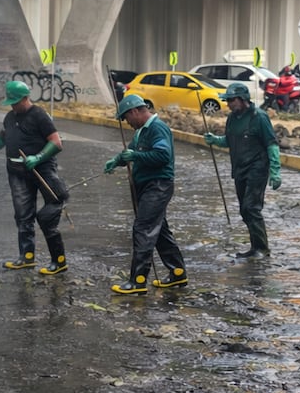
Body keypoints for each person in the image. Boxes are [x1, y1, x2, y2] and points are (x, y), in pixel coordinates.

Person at [0, 80, 69, 275]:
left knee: (48, 214)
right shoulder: (10, 117)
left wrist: (38, 157)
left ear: (25, 98)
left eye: (15, 102)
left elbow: (56, 142)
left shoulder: (39, 115)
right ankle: (27, 257)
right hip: (16, 171)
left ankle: (59, 260)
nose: (13, 105)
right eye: (10, 102)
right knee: (22, 214)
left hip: (41, 169)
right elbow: (3, 137)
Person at [103, 93, 187, 294]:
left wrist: (136, 156)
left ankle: (138, 281)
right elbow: (130, 152)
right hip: (147, 186)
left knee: (143, 228)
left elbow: (163, 155)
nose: (127, 122)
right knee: (159, 232)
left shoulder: (157, 128)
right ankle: (178, 274)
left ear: (135, 112)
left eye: (126, 118)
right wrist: (117, 160)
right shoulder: (142, 131)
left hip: (158, 185)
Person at [203, 83, 282, 258]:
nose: (229, 104)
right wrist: (215, 140)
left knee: (251, 207)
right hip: (239, 169)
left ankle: (262, 248)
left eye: (232, 100)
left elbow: (272, 144)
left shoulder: (259, 117)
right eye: (228, 100)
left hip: (257, 168)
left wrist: (275, 170)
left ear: (243, 99)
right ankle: (255, 246)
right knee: (244, 210)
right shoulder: (232, 118)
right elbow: (230, 140)